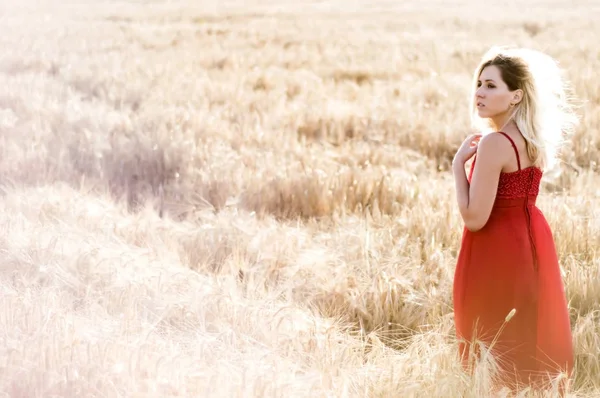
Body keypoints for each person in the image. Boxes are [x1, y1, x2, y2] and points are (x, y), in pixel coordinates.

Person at [451, 46, 578, 393]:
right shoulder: (531, 140)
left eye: (491, 85)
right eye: (479, 83)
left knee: (488, 337)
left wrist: (457, 169)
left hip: (496, 248)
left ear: (515, 95)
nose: (479, 92)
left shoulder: (495, 142)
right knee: (524, 333)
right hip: (532, 240)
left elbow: (475, 218)